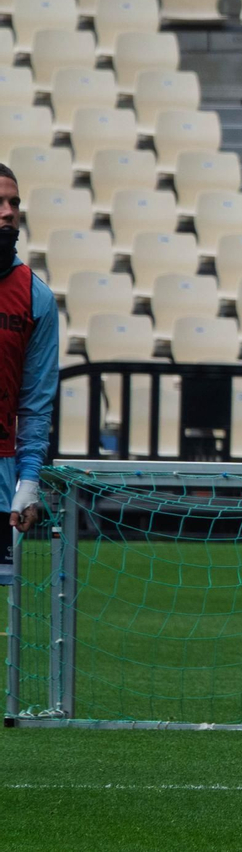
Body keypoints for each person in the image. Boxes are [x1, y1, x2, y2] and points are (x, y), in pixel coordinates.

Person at [0, 165, 58, 586]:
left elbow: (35, 405)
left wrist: (30, 479)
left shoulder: (37, 298)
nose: (8, 212)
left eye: (14, 203)